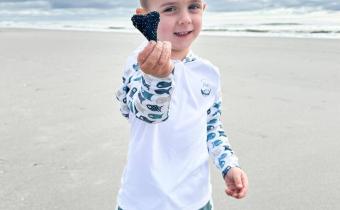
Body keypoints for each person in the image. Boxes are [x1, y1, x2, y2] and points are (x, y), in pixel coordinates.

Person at [115, 0, 248, 209]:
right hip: (142, 200)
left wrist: (228, 164)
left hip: (196, 198)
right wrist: (157, 79)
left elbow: (211, 126)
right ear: (144, 17)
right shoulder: (139, 62)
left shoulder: (209, 73)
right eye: (169, 9)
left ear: (204, 9)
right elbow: (141, 112)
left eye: (193, 6)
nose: (185, 18)